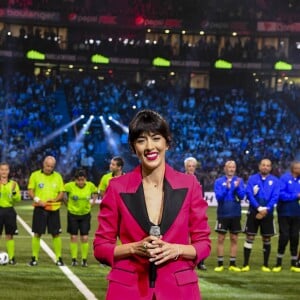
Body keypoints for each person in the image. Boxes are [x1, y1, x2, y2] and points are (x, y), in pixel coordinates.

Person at [94, 109, 211, 300]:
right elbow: (100, 247)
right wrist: (134, 248)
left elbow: (203, 244)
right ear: (133, 148)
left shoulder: (190, 185)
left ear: (167, 142)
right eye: (141, 140)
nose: (150, 146)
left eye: (156, 138)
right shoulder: (116, 188)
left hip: (179, 291)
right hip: (128, 291)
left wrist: (177, 249)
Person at [241, 158, 280, 272]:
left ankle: (266, 265)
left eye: (268, 165)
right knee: (250, 237)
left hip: (267, 212)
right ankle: (245, 264)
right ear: (259, 166)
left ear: (270, 167)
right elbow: (249, 194)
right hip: (253, 211)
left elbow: (275, 196)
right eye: (263, 165)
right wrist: (258, 208)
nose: (265, 167)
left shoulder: (275, 180)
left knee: (266, 238)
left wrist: (265, 209)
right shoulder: (252, 178)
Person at [28, 156, 65, 266]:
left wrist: (54, 200)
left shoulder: (58, 176)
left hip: (54, 209)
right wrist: (38, 200)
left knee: (56, 234)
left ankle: (59, 258)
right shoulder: (35, 175)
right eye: (47, 166)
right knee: (37, 233)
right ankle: (34, 258)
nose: (49, 168)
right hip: (40, 209)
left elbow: (61, 193)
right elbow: (30, 191)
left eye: (51, 166)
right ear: (43, 164)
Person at [213, 160, 245, 272]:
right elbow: (219, 198)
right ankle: (220, 263)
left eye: (233, 167)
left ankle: (232, 263)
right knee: (221, 238)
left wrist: (236, 188)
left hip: (235, 214)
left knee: (234, 238)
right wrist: (227, 188)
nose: (231, 169)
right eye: (229, 167)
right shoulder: (218, 181)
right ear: (225, 168)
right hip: (223, 214)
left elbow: (241, 197)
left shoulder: (239, 181)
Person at [64, 168, 98, 267]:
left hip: (85, 215)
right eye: (78, 180)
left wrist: (93, 202)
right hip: (73, 214)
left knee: (85, 237)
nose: (80, 182)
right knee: (73, 237)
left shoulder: (90, 186)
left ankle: (84, 260)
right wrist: (67, 204)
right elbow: (62, 194)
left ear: (85, 179)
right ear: (75, 179)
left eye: (82, 180)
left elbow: (96, 192)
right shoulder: (69, 186)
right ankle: (74, 259)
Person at [272, 161, 300, 272]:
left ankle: (294, 263)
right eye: (298, 168)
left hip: (297, 213)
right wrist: (296, 196)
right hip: (284, 212)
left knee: (295, 237)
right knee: (284, 237)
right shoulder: (284, 179)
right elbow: (281, 195)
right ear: (293, 169)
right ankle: (278, 263)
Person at [184, 156, 207, 271]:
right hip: (184, 211)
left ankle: (200, 262)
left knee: (199, 236)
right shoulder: (181, 178)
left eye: (193, 166)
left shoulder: (200, 178)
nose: (191, 168)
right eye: (189, 166)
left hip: (196, 211)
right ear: (185, 167)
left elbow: (202, 195)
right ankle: (184, 260)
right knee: (183, 236)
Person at [0, 162, 21, 265]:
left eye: (5, 169)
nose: (4, 171)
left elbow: (17, 199)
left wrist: (13, 191)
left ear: (8, 171)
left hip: (9, 211)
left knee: (10, 235)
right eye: (2, 169)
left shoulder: (14, 184)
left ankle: (12, 258)